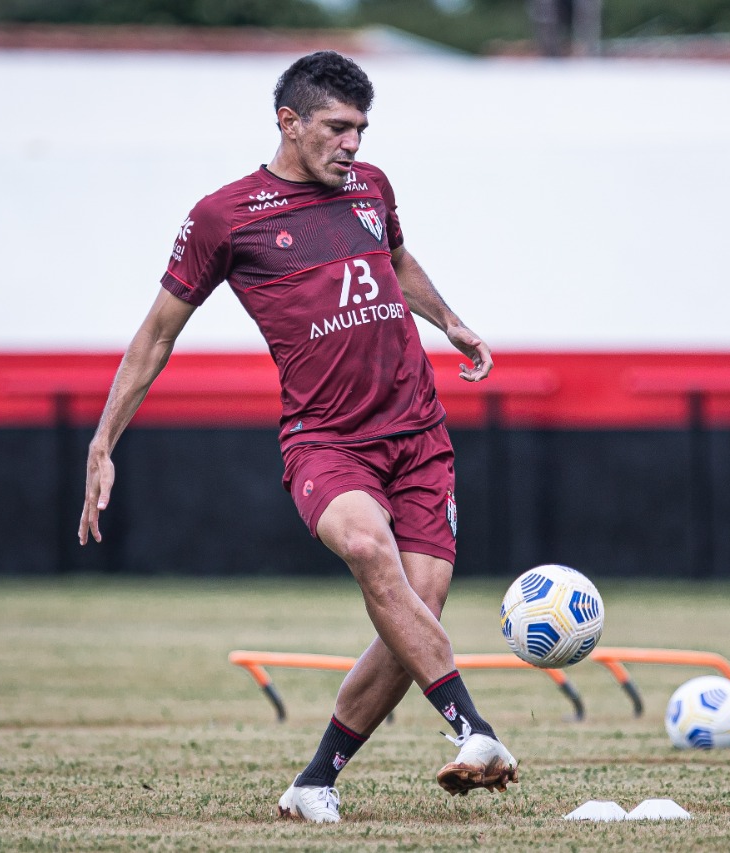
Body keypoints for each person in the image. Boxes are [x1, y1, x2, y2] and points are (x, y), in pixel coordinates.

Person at [77, 50, 518, 823]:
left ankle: (314, 781)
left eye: (362, 129)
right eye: (338, 128)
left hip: (419, 433)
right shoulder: (225, 216)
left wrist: (448, 320)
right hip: (327, 443)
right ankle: (474, 730)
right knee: (370, 551)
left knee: (418, 614)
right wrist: (103, 441)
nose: (353, 144)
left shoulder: (372, 187)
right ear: (290, 121)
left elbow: (395, 257)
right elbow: (154, 336)